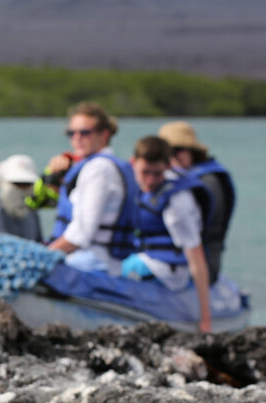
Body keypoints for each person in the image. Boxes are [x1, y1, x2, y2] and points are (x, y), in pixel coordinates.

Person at [122, 136, 212, 333]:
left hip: (168, 271)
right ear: (133, 163)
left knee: (112, 269)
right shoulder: (133, 184)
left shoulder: (176, 204)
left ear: (168, 166)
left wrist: (205, 318)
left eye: (158, 174)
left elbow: (195, 256)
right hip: (146, 257)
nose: (151, 181)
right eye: (145, 172)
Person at [47, 102, 139, 276]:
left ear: (104, 135)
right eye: (71, 133)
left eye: (85, 133)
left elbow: (81, 233)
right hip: (100, 260)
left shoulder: (98, 169)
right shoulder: (101, 165)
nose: (77, 138)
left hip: (93, 262)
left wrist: (44, 256)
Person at [158, 121, 235, 284]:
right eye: (167, 152)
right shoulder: (166, 181)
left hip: (202, 263)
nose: (172, 157)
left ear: (192, 152)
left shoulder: (208, 182)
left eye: (177, 150)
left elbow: (202, 228)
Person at [0, 154, 43, 242]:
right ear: (3, 183)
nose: (22, 189)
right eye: (17, 183)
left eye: (27, 184)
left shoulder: (32, 214)